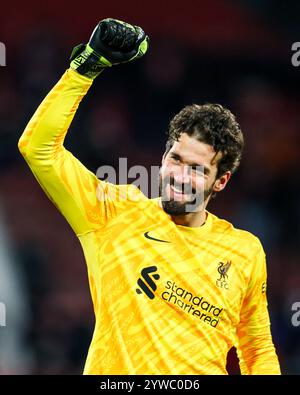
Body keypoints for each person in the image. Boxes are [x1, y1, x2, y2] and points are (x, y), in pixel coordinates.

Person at [18, 18, 281, 375]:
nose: (180, 176)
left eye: (198, 169)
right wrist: (86, 68)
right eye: (176, 159)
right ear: (163, 157)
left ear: (221, 181)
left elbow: (258, 351)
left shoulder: (244, 252)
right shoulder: (112, 212)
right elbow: (38, 149)